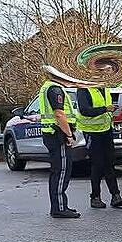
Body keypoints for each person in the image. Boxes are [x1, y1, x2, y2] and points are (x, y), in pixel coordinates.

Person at [38, 65, 79, 219]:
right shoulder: (55, 89)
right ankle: (59, 208)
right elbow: (59, 114)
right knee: (62, 172)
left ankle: (59, 205)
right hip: (57, 135)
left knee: (58, 171)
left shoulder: (47, 87)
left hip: (53, 134)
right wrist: (69, 135)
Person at [76, 85, 122, 209]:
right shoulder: (84, 89)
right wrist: (105, 109)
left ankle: (115, 195)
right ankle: (95, 197)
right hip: (91, 131)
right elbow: (85, 110)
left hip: (106, 130)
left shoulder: (105, 88)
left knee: (109, 163)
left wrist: (115, 110)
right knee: (97, 164)